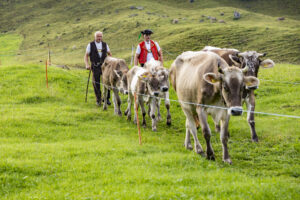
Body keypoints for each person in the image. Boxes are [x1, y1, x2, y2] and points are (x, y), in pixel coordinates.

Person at [84, 31, 112, 106]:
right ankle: (98, 99)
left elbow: (109, 54)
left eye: (100, 36)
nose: (99, 38)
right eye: (98, 36)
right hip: (95, 66)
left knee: (107, 82)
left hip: (105, 66)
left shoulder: (105, 44)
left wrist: (110, 62)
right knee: (96, 83)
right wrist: (87, 64)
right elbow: (86, 56)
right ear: (95, 37)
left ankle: (106, 98)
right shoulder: (90, 45)